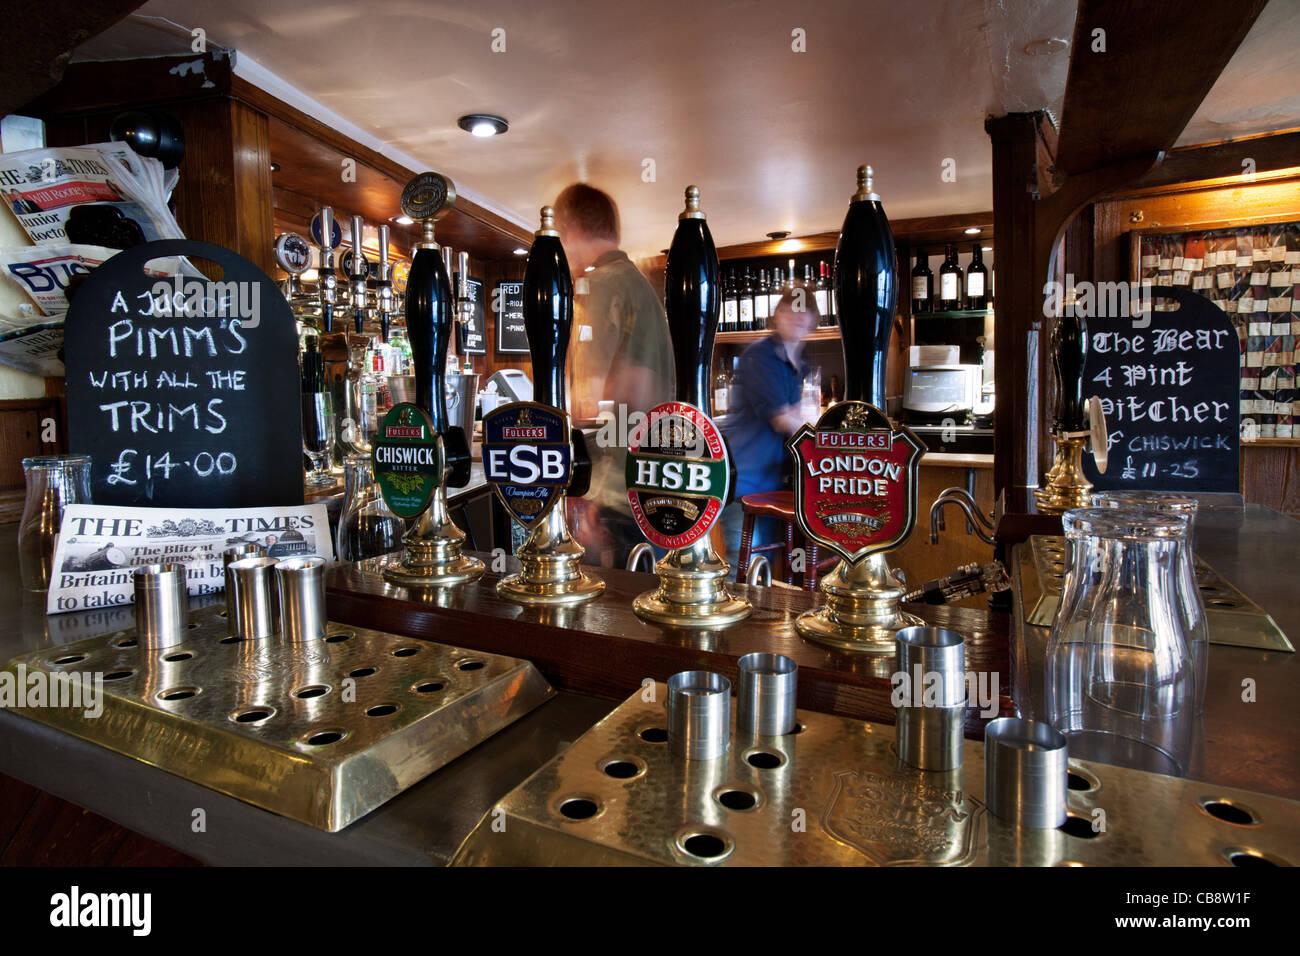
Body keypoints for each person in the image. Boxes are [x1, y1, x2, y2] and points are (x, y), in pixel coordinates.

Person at [553, 183, 675, 568]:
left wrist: (590, 498)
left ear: (569, 230)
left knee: (599, 614)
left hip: (614, 496)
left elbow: (589, 404)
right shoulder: (639, 286)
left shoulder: (598, 286)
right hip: (652, 482)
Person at [719, 290, 820, 572]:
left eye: (804, 310)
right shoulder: (760, 356)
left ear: (814, 319)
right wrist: (824, 442)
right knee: (745, 566)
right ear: (777, 315)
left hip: (773, 484)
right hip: (744, 482)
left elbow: (798, 417)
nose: (797, 316)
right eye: (790, 309)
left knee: (767, 568)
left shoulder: (799, 364)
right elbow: (783, 419)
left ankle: (767, 615)